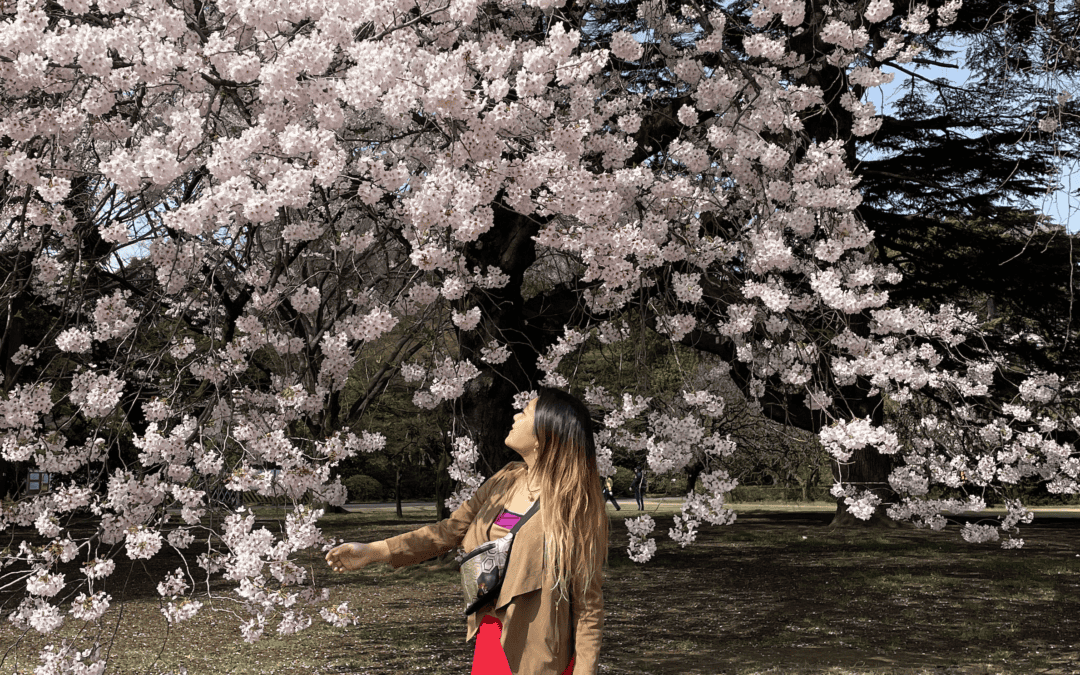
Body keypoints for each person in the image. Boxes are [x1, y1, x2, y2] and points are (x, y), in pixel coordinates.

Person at [325, 388, 609, 675]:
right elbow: (449, 531)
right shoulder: (506, 480)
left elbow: (588, 607)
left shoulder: (575, 507)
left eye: (525, 412)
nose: (515, 415)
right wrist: (374, 551)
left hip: (536, 652)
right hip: (489, 636)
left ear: (543, 435)